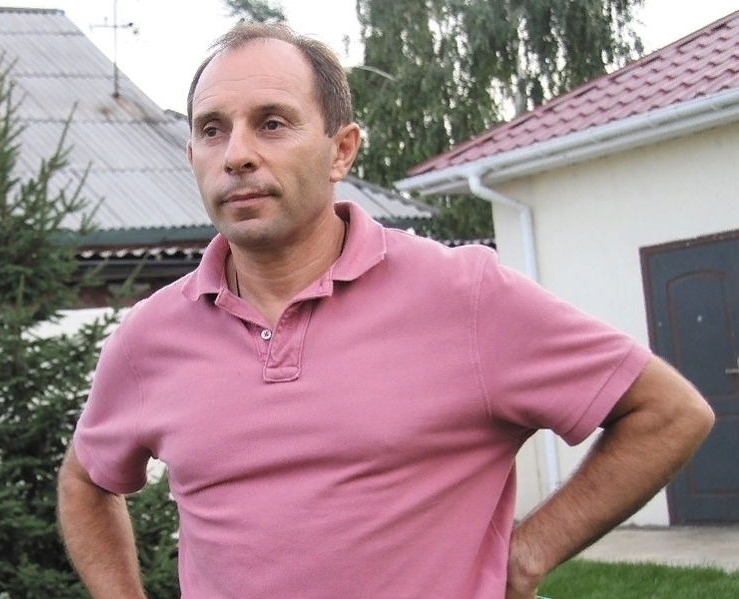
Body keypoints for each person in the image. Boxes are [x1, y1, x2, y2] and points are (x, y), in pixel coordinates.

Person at [57, 21, 714, 599]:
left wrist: (528, 555)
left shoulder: (465, 296)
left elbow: (668, 412)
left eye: (272, 123)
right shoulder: (151, 336)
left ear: (341, 150)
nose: (237, 154)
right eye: (212, 130)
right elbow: (87, 481)